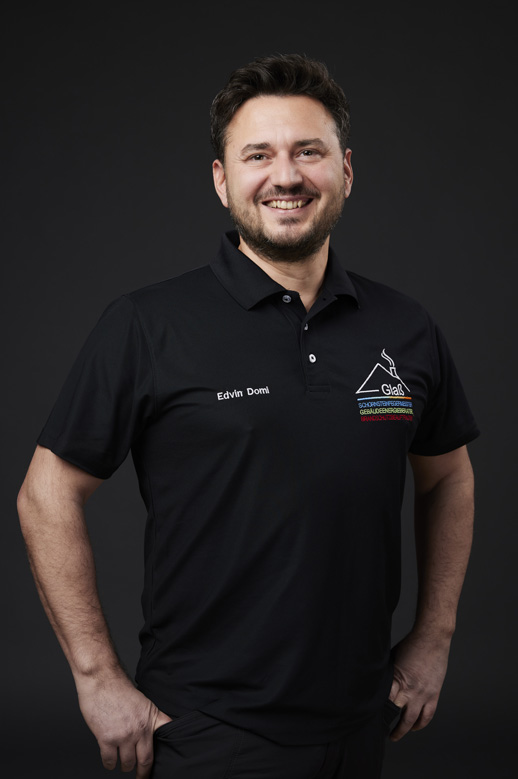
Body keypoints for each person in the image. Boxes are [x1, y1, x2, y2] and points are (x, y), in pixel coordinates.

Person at [17, 53, 478, 779]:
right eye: (258, 155)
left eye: (308, 152)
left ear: (345, 171)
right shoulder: (148, 324)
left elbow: (448, 476)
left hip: (363, 721)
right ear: (221, 179)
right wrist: (96, 676)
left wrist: (435, 636)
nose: (285, 176)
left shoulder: (405, 327)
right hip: (207, 730)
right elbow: (46, 494)